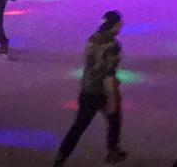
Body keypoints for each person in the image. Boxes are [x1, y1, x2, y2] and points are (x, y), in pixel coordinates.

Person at [53, 11, 128, 166]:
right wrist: (112, 97)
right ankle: (112, 152)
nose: (121, 26)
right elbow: (108, 73)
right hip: (101, 92)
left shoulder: (93, 39)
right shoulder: (112, 46)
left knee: (79, 126)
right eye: (119, 23)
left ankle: (61, 156)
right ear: (113, 25)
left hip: (87, 88)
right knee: (114, 120)